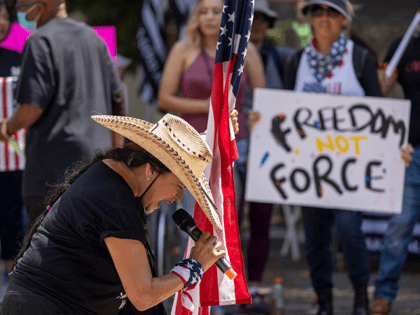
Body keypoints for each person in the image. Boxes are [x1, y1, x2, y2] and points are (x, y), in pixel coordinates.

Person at [0, 113, 228, 315]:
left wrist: (212, 136)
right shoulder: (116, 202)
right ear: (150, 170)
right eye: (179, 186)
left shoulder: (115, 180)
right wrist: (194, 267)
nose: (177, 198)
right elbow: (143, 295)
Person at [283, 1, 383, 314]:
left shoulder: (360, 58)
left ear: (344, 20)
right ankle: (323, 299)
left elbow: (380, 115)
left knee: (349, 229)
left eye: (331, 12)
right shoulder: (297, 61)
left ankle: (360, 297)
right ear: (308, 19)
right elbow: (283, 112)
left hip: (350, 168)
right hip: (308, 167)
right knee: (315, 236)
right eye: (317, 12)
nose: (324, 18)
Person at [0, 0, 125, 230]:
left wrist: (7, 127)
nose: (21, 12)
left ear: (42, 4)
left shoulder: (39, 41)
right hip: (97, 168)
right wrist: (116, 157)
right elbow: (118, 100)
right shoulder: (95, 39)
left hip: (52, 173)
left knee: (47, 255)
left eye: (22, 6)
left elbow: (31, 108)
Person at [158, 0, 265, 257]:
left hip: (233, 147)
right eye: (202, 11)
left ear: (228, 16)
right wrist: (208, 107)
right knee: (195, 223)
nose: (209, 17)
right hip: (191, 147)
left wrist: (255, 117)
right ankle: (191, 282)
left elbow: (263, 99)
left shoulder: (245, 51)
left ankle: (225, 290)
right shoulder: (182, 50)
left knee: (227, 222)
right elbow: (165, 98)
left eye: (216, 12)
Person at [236, 0, 295, 302]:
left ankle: (255, 285)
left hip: (268, 148)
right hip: (236, 143)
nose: (257, 24)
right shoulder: (231, 54)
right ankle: (230, 285)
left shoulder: (280, 57)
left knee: (261, 218)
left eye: (263, 19)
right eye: (253, 18)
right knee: (230, 217)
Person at [370, 29, 420, 315]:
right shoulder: (404, 45)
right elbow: (382, 91)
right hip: (412, 152)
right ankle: (384, 294)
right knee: (400, 226)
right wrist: (383, 81)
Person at [0, 0, 24, 278]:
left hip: (14, 153)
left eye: (6, 17)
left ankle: (13, 274)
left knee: (13, 216)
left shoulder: (19, 58)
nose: (3, 22)